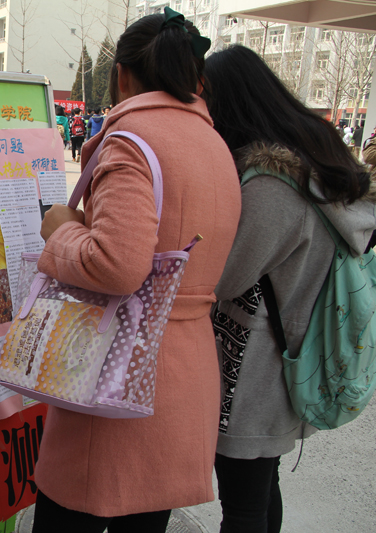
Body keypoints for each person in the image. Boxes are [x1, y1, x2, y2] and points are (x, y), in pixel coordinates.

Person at [31, 8, 241, 532]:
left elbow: (117, 265)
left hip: (116, 368)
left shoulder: (131, 140)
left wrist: (61, 230)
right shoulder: (215, 144)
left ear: (122, 75)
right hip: (184, 370)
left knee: (70, 514)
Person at [203, 44, 376, 533]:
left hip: (255, 366)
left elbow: (227, 278)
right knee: (259, 487)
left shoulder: (273, 185)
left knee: (243, 502)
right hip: (286, 351)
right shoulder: (315, 162)